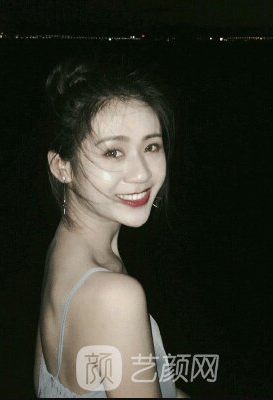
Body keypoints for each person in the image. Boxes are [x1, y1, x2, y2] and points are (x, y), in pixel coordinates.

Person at [33, 58, 190, 398]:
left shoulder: (65, 249)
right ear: (62, 167)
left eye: (151, 146)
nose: (142, 173)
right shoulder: (114, 297)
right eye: (114, 152)